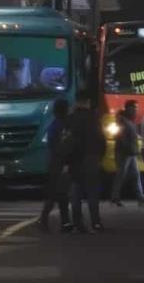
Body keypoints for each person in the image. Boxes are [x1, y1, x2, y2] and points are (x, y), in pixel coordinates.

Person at [67, 91, 106, 232]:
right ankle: (96, 222)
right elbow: (101, 140)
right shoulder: (93, 118)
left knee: (76, 192)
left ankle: (78, 223)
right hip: (91, 158)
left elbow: (67, 141)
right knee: (92, 193)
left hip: (75, 159)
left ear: (77, 101)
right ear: (87, 102)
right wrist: (100, 156)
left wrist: (67, 160)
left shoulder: (70, 119)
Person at [37, 98, 73, 232]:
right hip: (61, 164)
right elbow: (63, 146)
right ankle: (48, 220)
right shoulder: (64, 126)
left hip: (54, 163)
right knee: (59, 194)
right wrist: (66, 162)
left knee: (57, 194)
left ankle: (64, 222)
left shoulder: (53, 125)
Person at [111, 100, 144, 207]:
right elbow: (121, 138)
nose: (136, 110)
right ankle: (115, 197)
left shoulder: (130, 121)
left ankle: (141, 198)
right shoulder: (122, 121)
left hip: (131, 153)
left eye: (136, 108)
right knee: (121, 176)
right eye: (134, 108)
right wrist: (130, 149)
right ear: (127, 108)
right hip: (124, 153)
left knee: (135, 176)